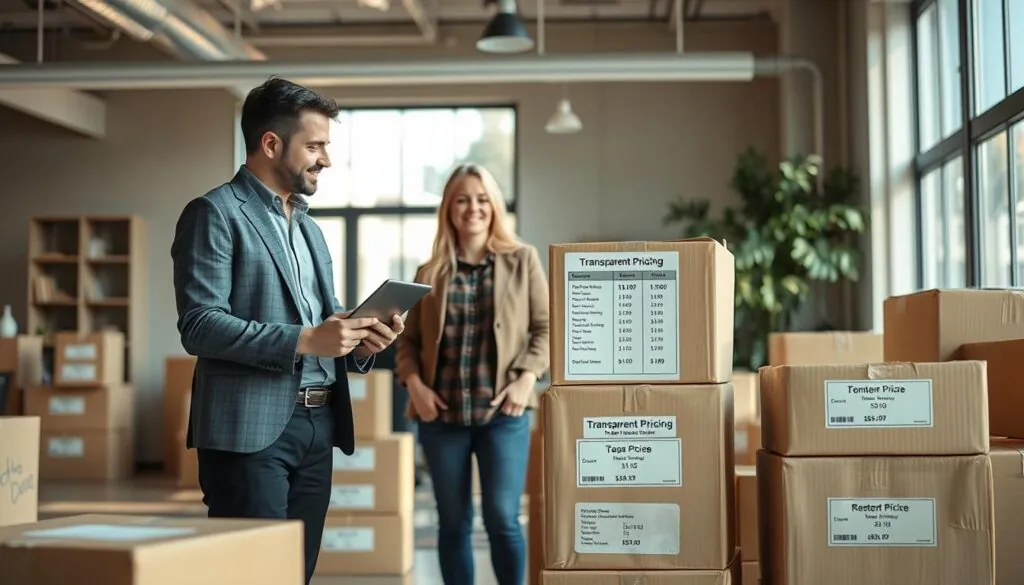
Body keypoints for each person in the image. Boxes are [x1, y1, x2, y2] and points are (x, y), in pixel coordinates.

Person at [170, 77, 404, 585]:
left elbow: (325, 317)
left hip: (317, 426)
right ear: (271, 143)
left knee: (297, 573)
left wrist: (361, 336)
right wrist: (304, 339)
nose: (326, 159)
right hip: (248, 431)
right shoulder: (214, 213)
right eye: (314, 145)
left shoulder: (309, 227)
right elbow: (199, 324)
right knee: (255, 576)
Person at [395, 163, 550, 585]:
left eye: (482, 199)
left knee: (502, 518)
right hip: (440, 417)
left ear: (495, 206)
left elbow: (547, 329)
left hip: (504, 413)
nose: (473, 208)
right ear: (448, 207)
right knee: (453, 521)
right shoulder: (429, 273)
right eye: (462, 199)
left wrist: (527, 377)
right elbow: (406, 343)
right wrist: (415, 386)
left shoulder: (523, 261)